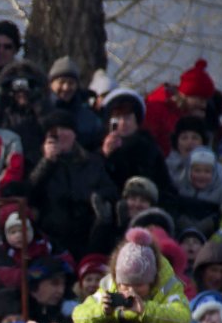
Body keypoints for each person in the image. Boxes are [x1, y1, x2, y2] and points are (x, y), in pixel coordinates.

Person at [28, 110, 118, 258]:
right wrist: (47, 162)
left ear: (74, 134)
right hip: (52, 237)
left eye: (65, 129)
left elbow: (110, 191)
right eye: (55, 132)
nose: (61, 135)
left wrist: (92, 198)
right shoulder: (35, 160)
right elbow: (30, 191)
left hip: (87, 235)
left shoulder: (92, 162)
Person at [72, 227, 190, 323]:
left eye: (139, 285)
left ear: (152, 281)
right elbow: (78, 316)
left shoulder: (166, 285)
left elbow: (183, 318)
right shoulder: (110, 285)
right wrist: (102, 311)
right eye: (126, 285)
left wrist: (145, 310)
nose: (131, 291)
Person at [98, 88, 176, 203]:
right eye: (118, 118)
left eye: (128, 117)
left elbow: (164, 187)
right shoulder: (97, 147)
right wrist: (104, 155)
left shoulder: (149, 149)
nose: (123, 123)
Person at [46, 57, 102, 148]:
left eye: (71, 83)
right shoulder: (41, 111)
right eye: (61, 82)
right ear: (51, 84)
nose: (66, 87)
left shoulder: (89, 117)